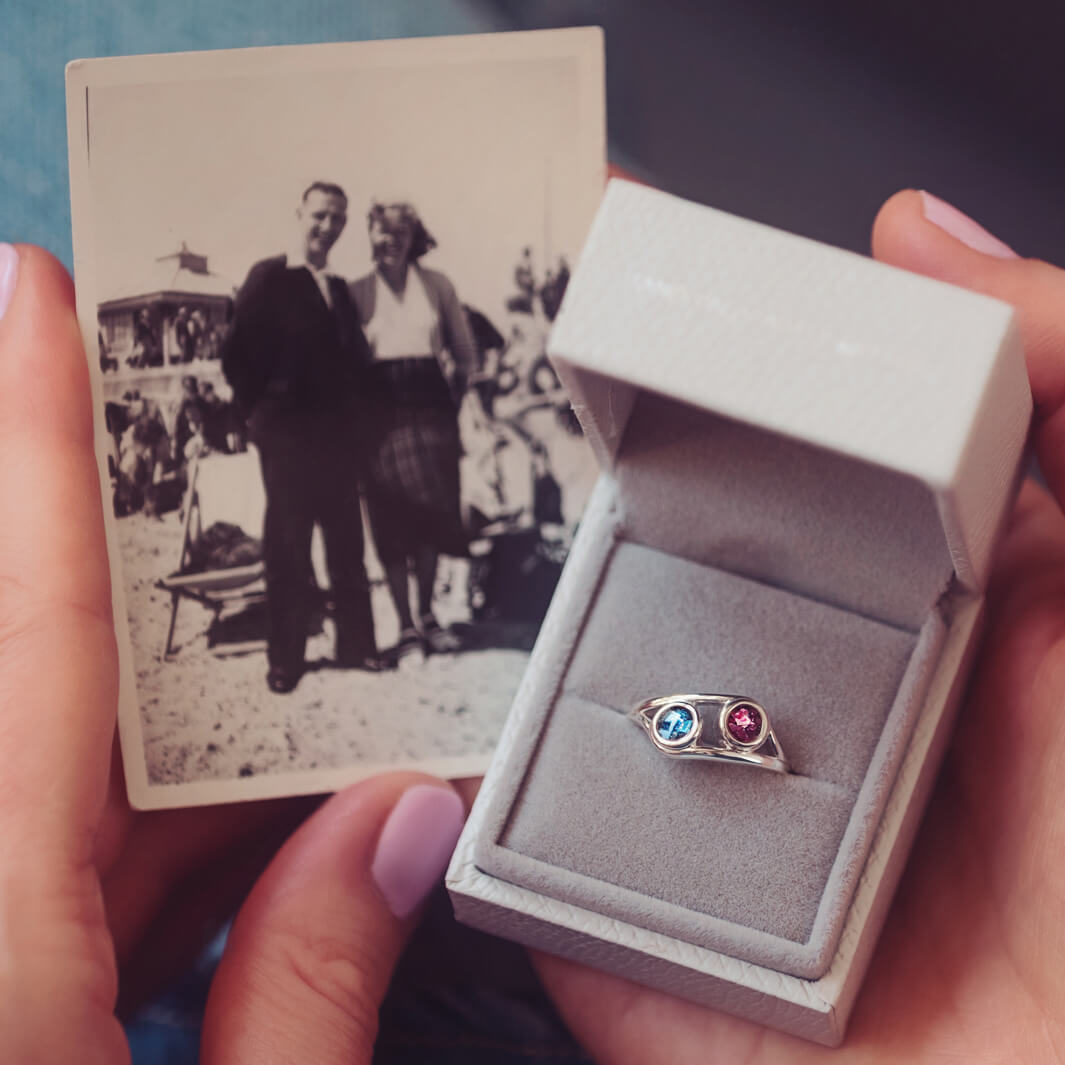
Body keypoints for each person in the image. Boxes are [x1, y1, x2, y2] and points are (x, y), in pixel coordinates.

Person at [3, 186, 1065, 1063]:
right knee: (329, 541)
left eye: (368, 226)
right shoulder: (308, 288)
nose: (357, 237)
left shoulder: (420, 291)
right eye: (341, 225)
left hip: (426, 437)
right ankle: (334, 644)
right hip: (327, 437)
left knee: (398, 539)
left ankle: (387, 635)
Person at [221, 181, 388, 693]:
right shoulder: (270, 277)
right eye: (319, 215)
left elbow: (353, 365)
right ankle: (286, 661)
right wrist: (261, 418)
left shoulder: (338, 288)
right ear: (299, 214)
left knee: (345, 544)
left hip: (337, 441)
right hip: (287, 440)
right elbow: (236, 355)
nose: (327, 227)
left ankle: (358, 647)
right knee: (289, 550)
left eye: (337, 219)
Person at [350, 202, 479, 659]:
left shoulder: (437, 285)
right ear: (369, 235)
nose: (391, 240)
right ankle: (405, 627)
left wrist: (454, 401)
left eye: (400, 232)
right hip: (379, 417)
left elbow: (466, 353)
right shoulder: (355, 292)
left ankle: (426, 616)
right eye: (382, 232)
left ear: (413, 236)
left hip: (431, 412)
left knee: (432, 518)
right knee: (389, 520)